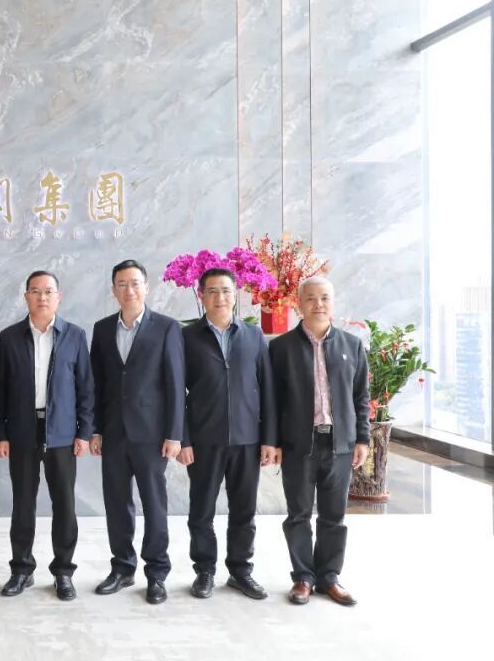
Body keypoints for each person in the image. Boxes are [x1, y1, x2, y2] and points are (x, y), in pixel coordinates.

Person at [267, 276, 369, 606]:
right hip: (299, 445)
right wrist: (273, 441)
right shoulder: (281, 347)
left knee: (333, 516)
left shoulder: (352, 345)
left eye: (324, 297)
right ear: (299, 304)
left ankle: (329, 577)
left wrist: (362, 439)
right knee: (298, 514)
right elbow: (272, 401)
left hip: (340, 445)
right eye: (310, 298)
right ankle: (303, 578)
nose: (318, 304)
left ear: (333, 302)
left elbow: (361, 397)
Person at [0, 270, 93, 601]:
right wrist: (1, 433)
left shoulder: (74, 336)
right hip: (22, 431)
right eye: (35, 291)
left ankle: (63, 572)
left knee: (64, 503)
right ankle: (21, 570)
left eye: (48, 291)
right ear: (26, 297)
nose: (42, 297)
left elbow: (85, 388)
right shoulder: (9, 338)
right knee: (23, 502)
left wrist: (83, 432)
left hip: (61, 433)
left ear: (58, 297)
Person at [178, 268, 276, 601]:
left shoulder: (253, 335)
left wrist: (269, 439)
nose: (220, 297)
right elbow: (177, 393)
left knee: (244, 511)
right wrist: (184, 439)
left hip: (247, 440)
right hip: (203, 441)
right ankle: (204, 571)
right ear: (201, 295)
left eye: (226, 290)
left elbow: (268, 390)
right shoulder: (187, 337)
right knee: (201, 511)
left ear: (236, 295)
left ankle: (240, 571)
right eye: (212, 291)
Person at [90, 259, 183, 604]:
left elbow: (176, 384)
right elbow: (96, 384)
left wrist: (174, 434)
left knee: (154, 505)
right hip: (113, 433)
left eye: (134, 283)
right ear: (113, 290)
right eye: (122, 284)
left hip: (152, 435)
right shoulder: (102, 329)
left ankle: (156, 573)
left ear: (146, 287)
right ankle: (122, 568)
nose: (128, 290)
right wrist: (95, 429)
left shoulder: (167, 327)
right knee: (117, 503)